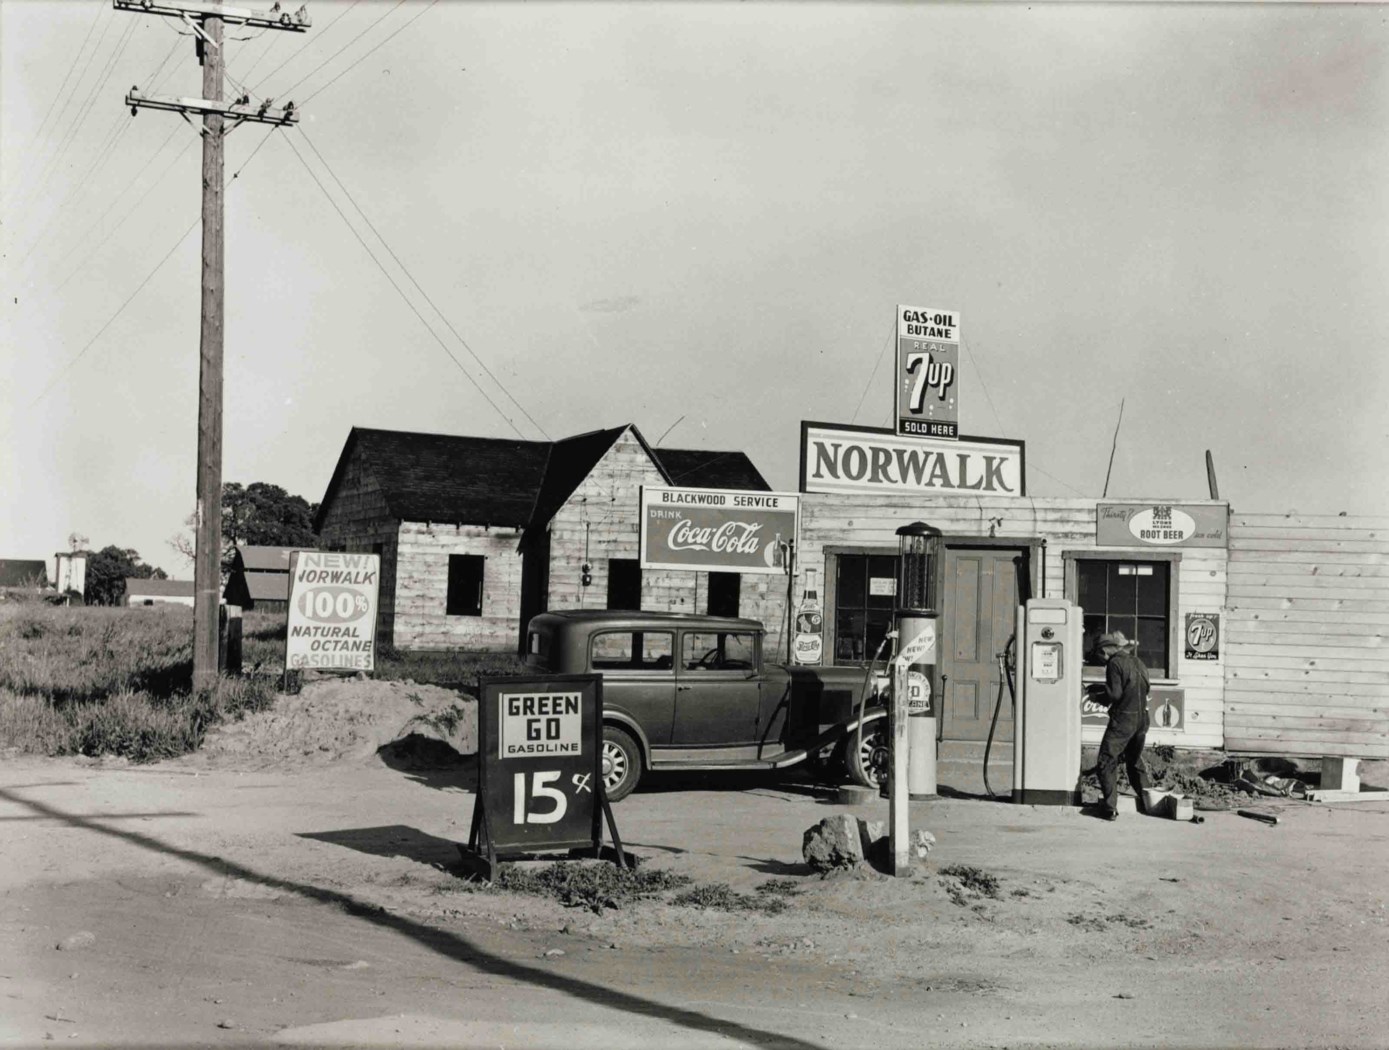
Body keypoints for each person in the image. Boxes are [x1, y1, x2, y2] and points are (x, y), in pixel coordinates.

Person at [1088, 631, 1152, 821]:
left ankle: (1110, 808)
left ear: (1107, 649)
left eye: (1100, 653)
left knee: (1106, 760)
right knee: (1134, 761)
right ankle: (1151, 802)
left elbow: (1115, 695)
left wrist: (1097, 696)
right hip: (1142, 719)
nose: (1100, 658)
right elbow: (1144, 688)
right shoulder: (1138, 662)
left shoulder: (1114, 663)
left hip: (1124, 720)